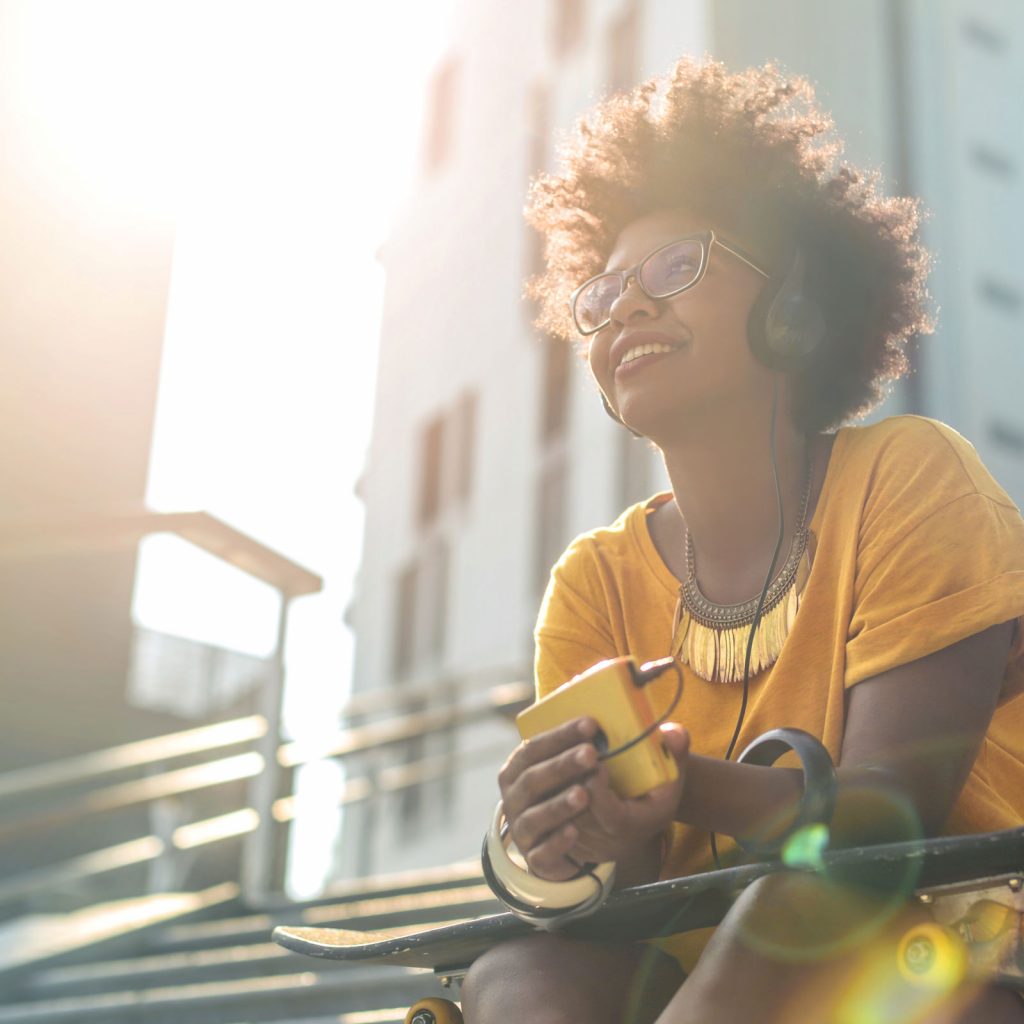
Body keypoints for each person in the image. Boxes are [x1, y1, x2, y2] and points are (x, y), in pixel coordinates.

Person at [461, 59, 1024, 1023]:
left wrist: (681, 786)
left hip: (951, 965)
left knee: (790, 913)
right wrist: (569, 827)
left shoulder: (913, 476)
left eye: (676, 268)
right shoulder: (593, 581)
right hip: (709, 986)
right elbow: (629, 894)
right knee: (519, 975)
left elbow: (885, 828)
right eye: (599, 296)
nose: (625, 307)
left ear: (791, 298)